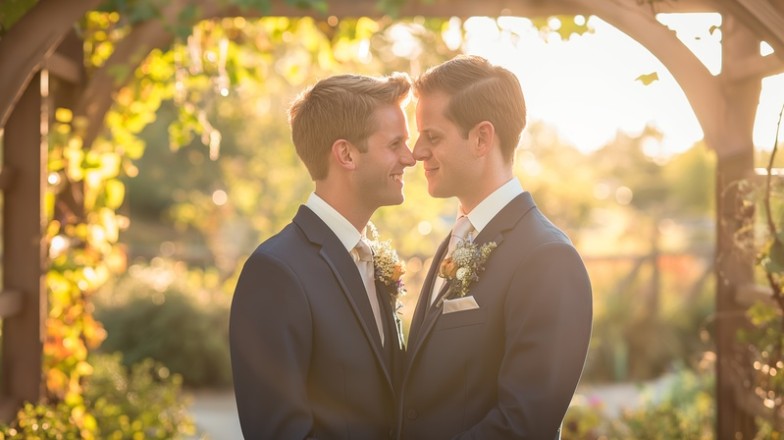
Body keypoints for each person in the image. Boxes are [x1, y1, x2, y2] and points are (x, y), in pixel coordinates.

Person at [397, 55, 593, 439]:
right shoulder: (454, 241)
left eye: (432, 136)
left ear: (482, 138)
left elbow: (523, 426)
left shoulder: (547, 259)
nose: (417, 152)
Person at [229, 73, 415, 439]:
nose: (410, 158)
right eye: (395, 144)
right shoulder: (276, 272)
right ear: (345, 154)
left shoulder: (373, 261)